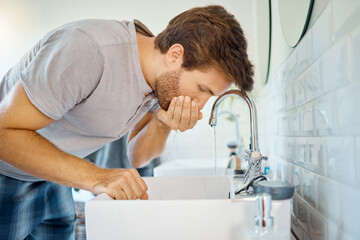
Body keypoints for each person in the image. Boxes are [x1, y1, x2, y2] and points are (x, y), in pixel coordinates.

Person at [0, 5, 254, 239]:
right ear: (175, 55)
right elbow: (3, 133)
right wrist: (98, 177)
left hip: (52, 172)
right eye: (202, 89)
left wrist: (163, 123)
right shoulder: (88, 50)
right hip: (8, 172)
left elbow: (137, 156)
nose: (199, 104)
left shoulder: (158, 82)